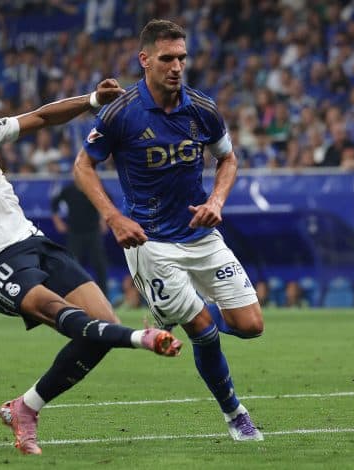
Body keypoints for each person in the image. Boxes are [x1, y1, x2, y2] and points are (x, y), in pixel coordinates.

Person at [0, 86, 183, 456]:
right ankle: (143, 339)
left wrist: (91, 101)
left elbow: (40, 117)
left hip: (33, 242)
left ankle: (25, 407)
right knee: (61, 313)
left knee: (103, 323)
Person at [75, 19, 265, 442]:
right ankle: (236, 415)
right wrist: (114, 217)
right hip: (149, 242)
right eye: (167, 58)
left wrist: (216, 201)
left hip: (199, 232)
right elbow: (83, 166)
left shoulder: (201, 108)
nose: (177, 66)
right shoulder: (121, 112)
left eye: (182, 57)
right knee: (204, 330)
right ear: (144, 60)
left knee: (252, 325)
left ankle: (167, 311)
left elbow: (228, 159)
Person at [50, 180, 109, 294]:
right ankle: (74, 294)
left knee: (99, 264)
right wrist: (58, 222)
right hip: (74, 232)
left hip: (93, 231)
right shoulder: (69, 189)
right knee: (73, 264)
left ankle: (104, 296)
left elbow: (107, 201)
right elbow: (54, 204)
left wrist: (103, 220)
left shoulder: (94, 186)